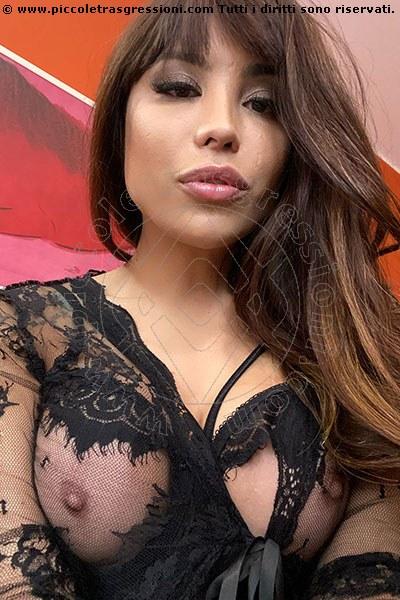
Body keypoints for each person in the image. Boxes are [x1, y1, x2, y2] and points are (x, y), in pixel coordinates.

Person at [0, 0, 399, 598]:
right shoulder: (23, 330)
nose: (222, 127)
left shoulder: (355, 357)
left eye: (263, 103)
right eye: (179, 88)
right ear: (120, 123)